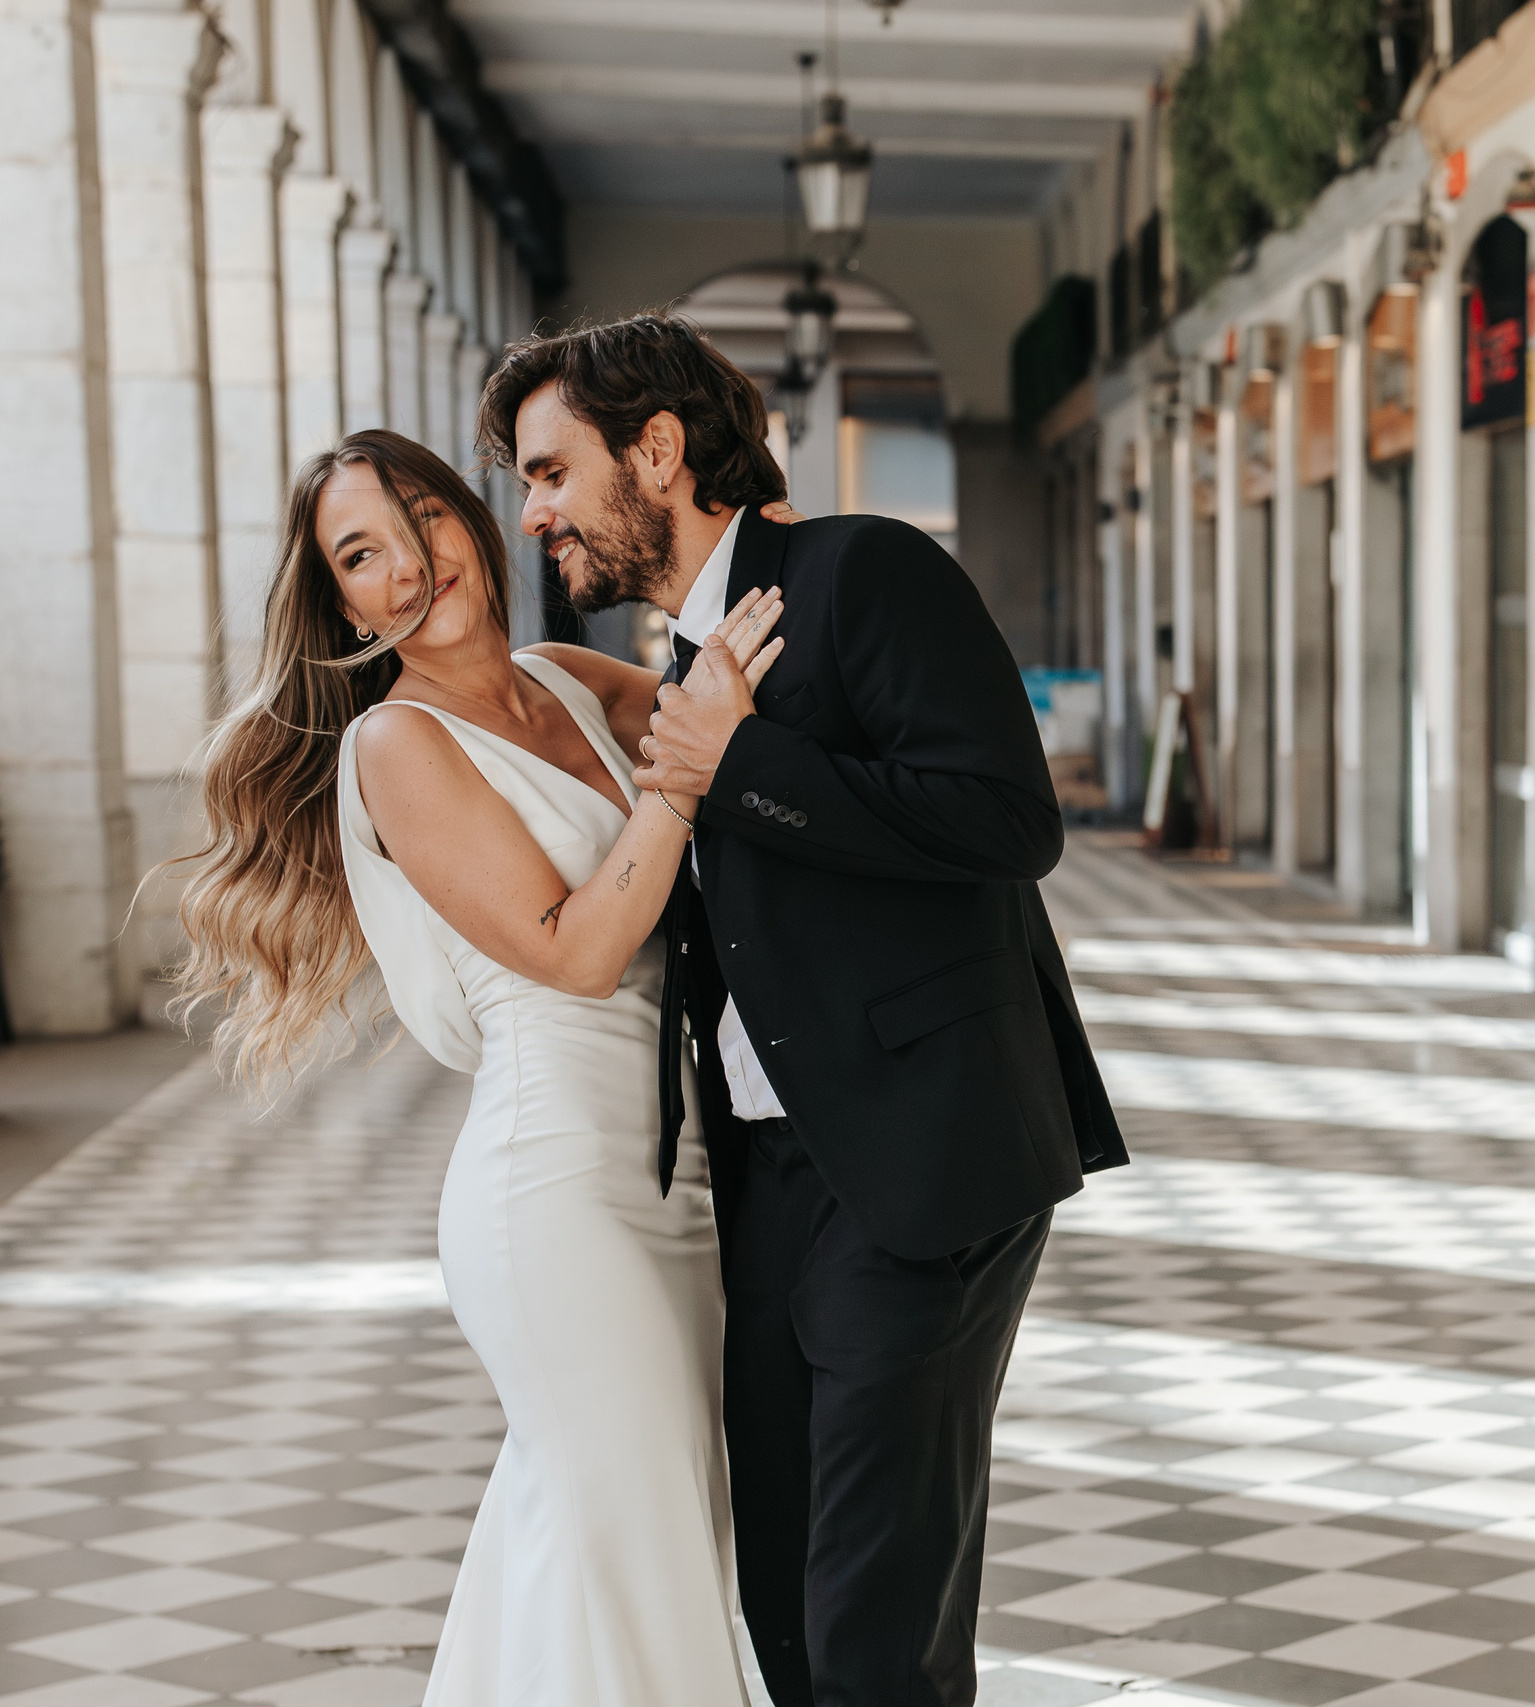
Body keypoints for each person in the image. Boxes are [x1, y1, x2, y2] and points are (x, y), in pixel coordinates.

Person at [476, 314, 1125, 1707]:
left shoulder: (860, 572)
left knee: (871, 1624)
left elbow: (1010, 820)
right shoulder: (686, 650)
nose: (531, 514)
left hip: (921, 1165)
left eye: (546, 472)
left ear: (656, 450)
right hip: (768, 1186)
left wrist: (743, 759)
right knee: (778, 1592)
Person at [171, 427, 800, 1704]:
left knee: (623, 1535)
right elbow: (573, 951)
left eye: (422, 519)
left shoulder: (563, 680)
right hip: (556, 1191)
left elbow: (728, 689)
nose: (408, 565)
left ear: (474, 514)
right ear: (340, 599)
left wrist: (748, 515)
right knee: (631, 1544)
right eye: (362, 553)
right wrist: (679, 781)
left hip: (676, 1177)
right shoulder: (395, 748)